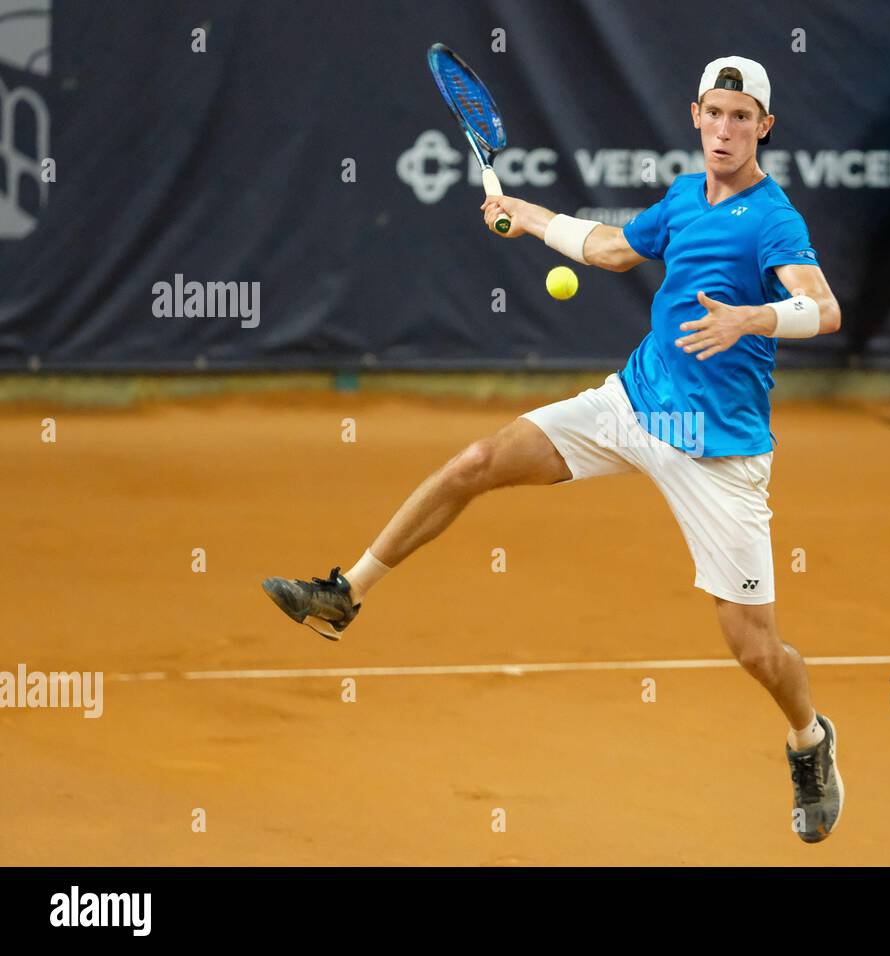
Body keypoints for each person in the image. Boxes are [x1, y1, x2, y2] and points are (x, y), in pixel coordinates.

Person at [262, 56, 846, 842]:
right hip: (633, 405)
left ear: (764, 128)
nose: (727, 128)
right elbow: (610, 249)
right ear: (696, 115)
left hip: (719, 451)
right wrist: (528, 217)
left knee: (753, 648)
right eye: (716, 111)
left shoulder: (773, 218)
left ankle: (809, 738)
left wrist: (754, 319)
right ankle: (346, 592)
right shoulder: (682, 195)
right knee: (475, 463)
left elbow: (825, 308)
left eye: (743, 116)